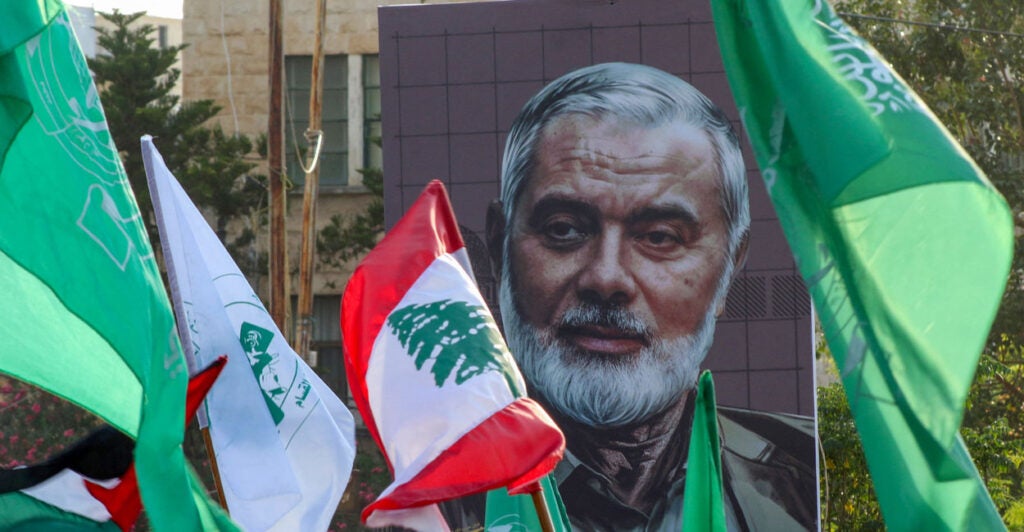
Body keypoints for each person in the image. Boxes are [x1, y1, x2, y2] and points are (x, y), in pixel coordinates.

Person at [443, 62, 816, 531]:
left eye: (660, 237)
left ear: (728, 269)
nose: (606, 278)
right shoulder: (432, 495)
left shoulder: (812, 476)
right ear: (499, 248)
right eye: (563, 229)